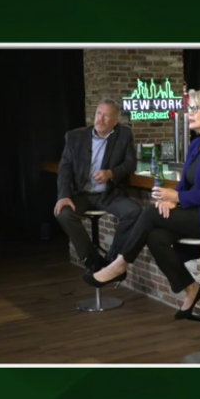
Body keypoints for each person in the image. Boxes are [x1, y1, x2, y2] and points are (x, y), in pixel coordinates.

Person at [85, 89, 200, 319]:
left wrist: (177, 199)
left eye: (195, 108)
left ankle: (120, 263)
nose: (190, 113)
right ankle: (190, 288)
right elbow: (185, 184)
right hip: (196, 213)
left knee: (151, 212)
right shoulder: (196, 146)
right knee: (156, 237)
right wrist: (170, 199)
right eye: (189, 108)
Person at [54, 100, 141, 272]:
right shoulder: (75, 137)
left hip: (108, 194)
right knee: (63, 214)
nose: (100, 119)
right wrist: (63, 196)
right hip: (82, 193)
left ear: (115, 121)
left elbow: (131, 164)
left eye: (106, 115)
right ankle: (91, 259)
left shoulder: (123, 134)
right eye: (98, 113)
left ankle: (112, 258)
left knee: (134, 212)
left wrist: (111, 173)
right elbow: (65, 168)